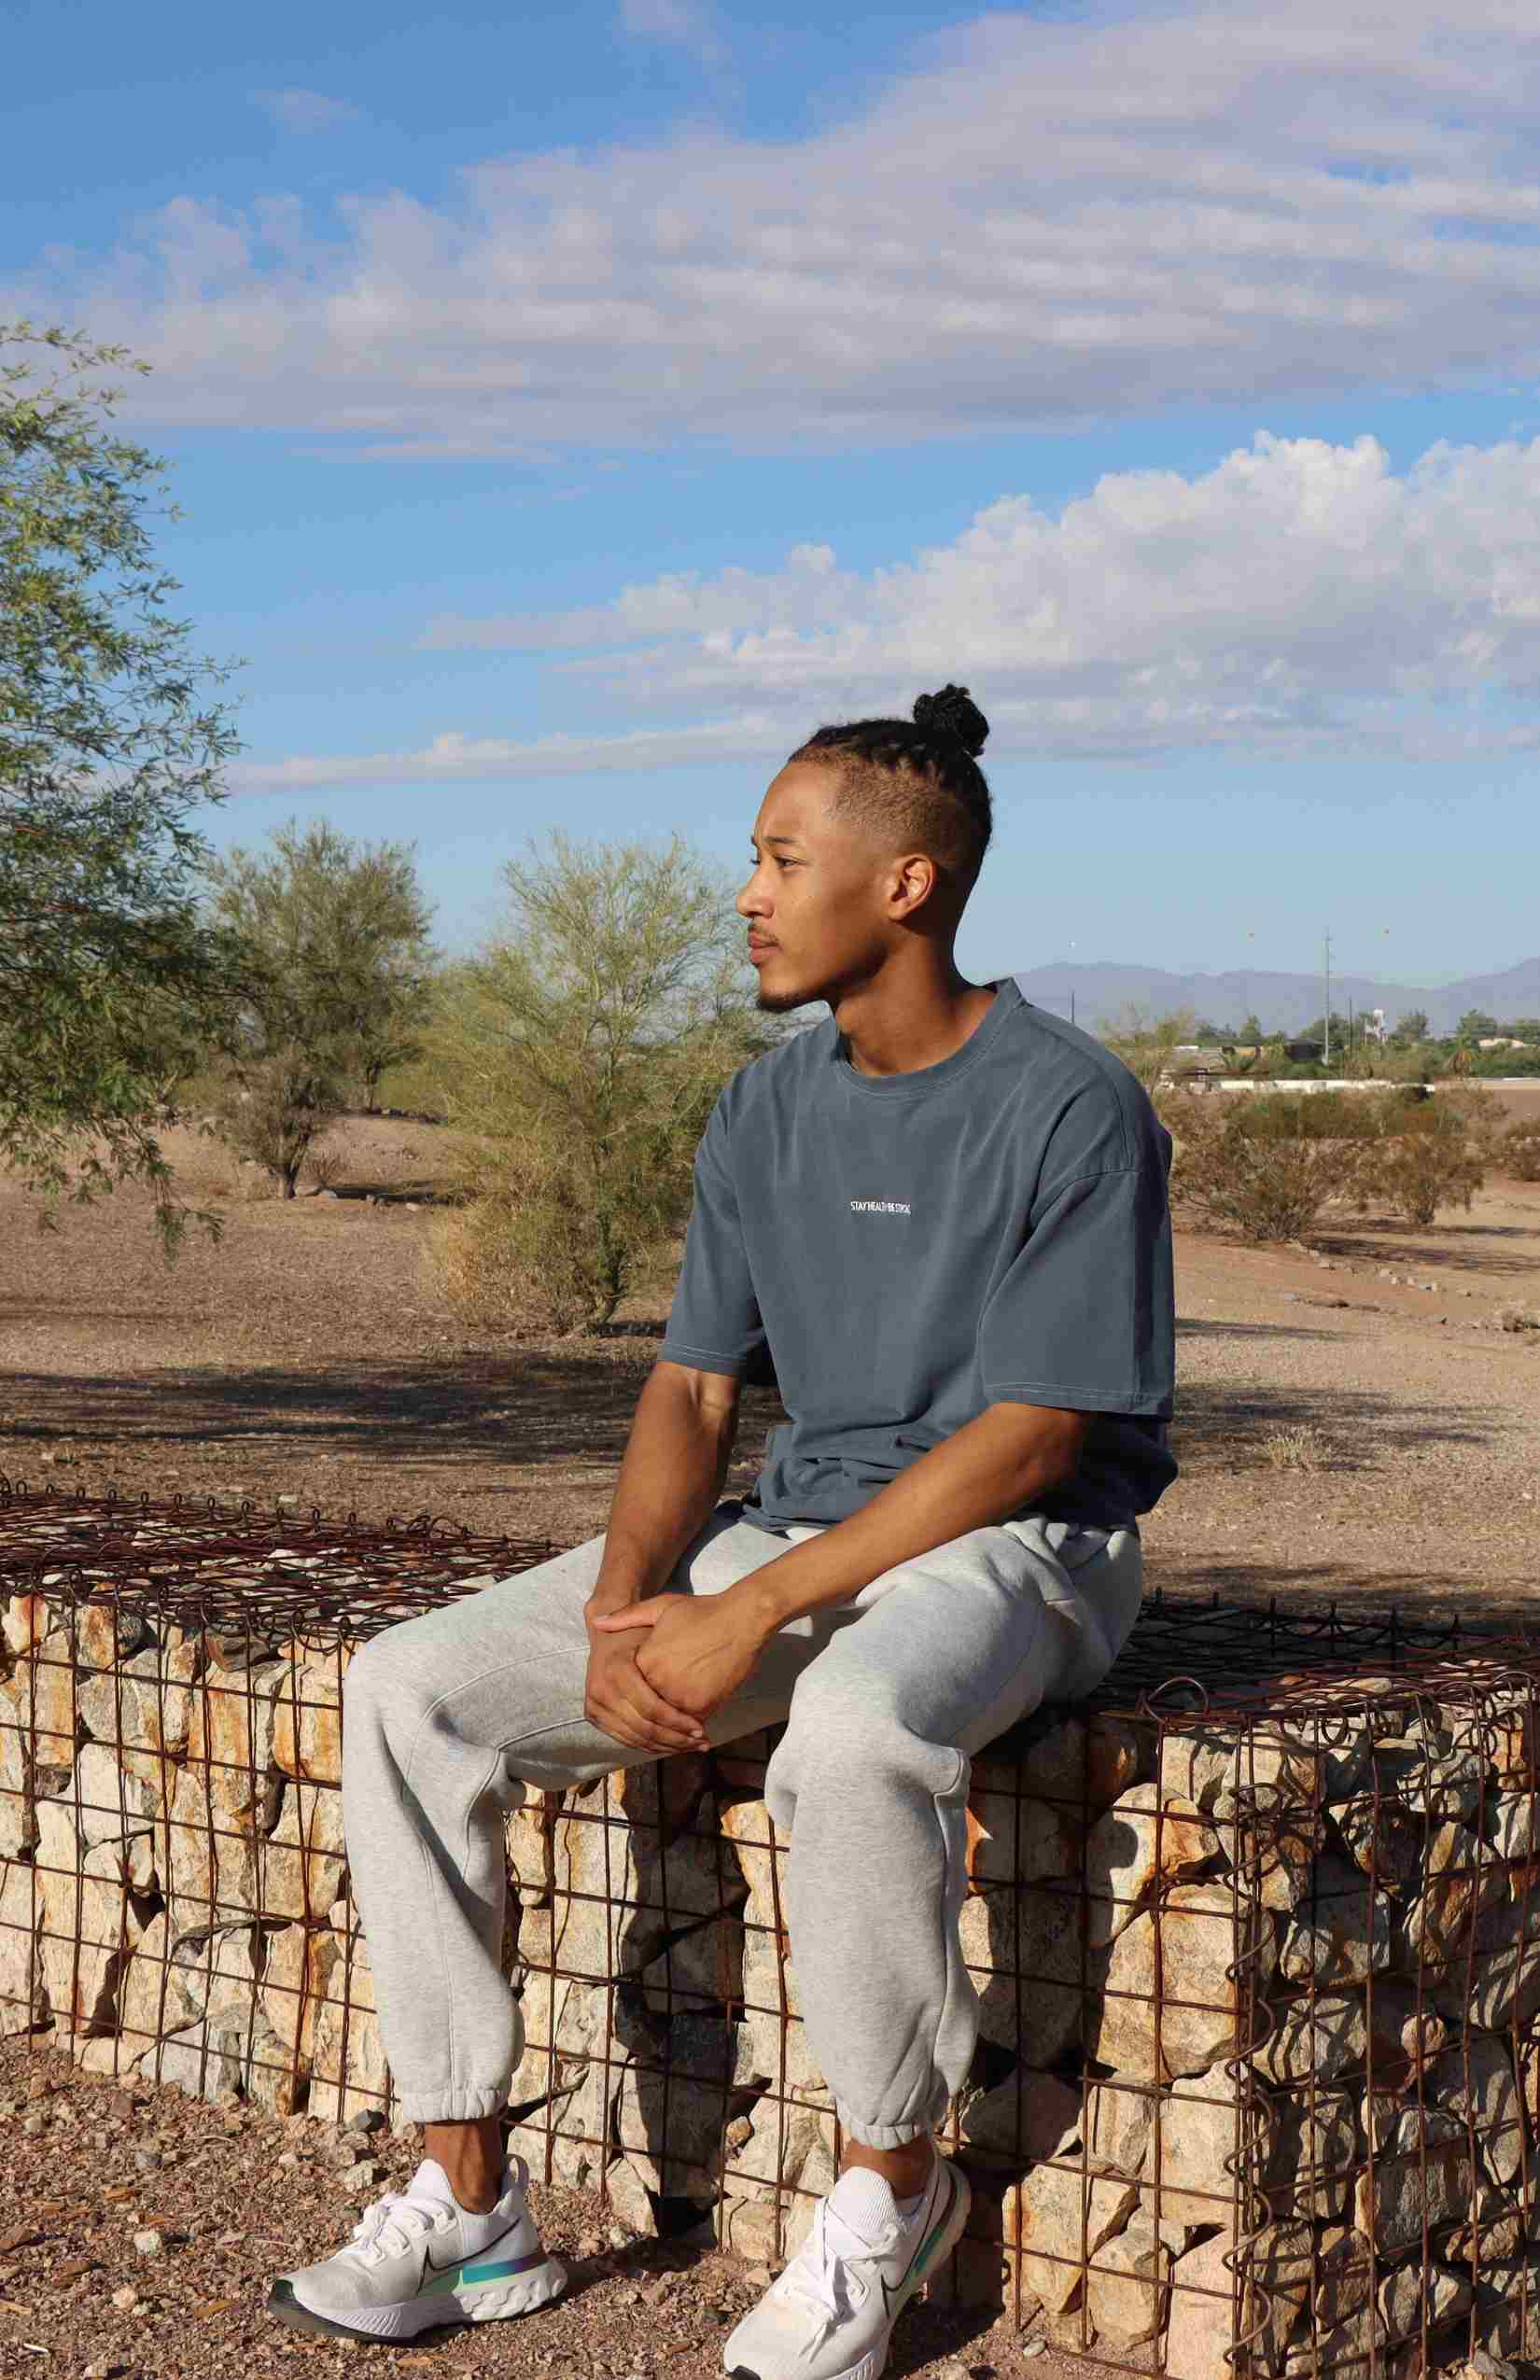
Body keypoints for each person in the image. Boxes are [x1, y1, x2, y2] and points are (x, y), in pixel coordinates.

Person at [266, 683, 1178, 2377]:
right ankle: (469, 2204)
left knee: (844, 1731)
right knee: (409, 1685)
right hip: (803, 1530)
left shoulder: (1068, 1101)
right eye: (750, 858)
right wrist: (630, 1605)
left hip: (1029, 1552)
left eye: (777, 857)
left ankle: (889, 2197)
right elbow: (692, 1396)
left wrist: (751, 1615)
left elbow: (1031, 1437)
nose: (744, 893)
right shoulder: (764, 1108)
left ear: (902, 885)